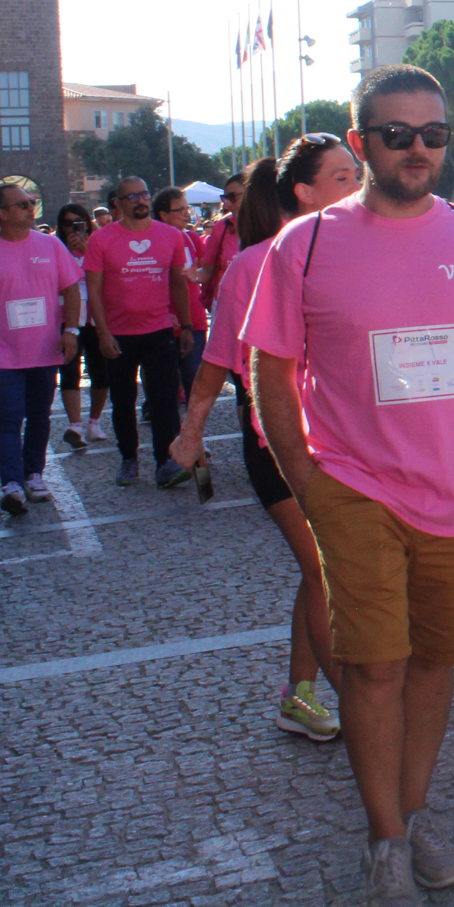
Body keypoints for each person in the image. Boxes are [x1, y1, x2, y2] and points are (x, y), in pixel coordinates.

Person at [243, 65, 454, 904]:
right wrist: (308, 483)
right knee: (374, 666)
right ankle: (386, 836)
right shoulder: (305, 244)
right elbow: (270, 371)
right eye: (397, 135)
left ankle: (414, 808)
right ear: (363, 142)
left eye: (433, 133)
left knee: (435, 662)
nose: (418, 148)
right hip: (352, 486)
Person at [168, 138, 360, 742]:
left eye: (356, 175)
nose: (357, 186)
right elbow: (216, 361)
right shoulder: (254, 265)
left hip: (346, 440)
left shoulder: (363, 252)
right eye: (343, 177)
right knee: (327, 572)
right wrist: (191, 433)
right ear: (303, 193)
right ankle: (366, 711)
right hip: (276, 442)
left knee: (318, 570)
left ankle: (298, 694)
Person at [83, 177, 195, 489]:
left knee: (164, 398)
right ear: (118, 204)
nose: (140, 201)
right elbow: (94, 291)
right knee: (123, 399)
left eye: (144, 194)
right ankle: (129, 458)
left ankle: (165, 462)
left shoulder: (171, 236)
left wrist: (186, 325)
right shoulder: (102, 239)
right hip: (118, 333)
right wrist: (103, 333)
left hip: (158, 329)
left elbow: (178, 283)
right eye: (132, 197)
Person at [0, 183, 80, 511]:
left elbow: (71, 289)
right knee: (8, 418)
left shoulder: (50, 245)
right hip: (5, 354)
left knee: (39, 416)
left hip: (46, 350)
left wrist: (71, 330)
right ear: (3, 214)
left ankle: (34, 473)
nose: (30, 208)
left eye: (31, 201)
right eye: (22, 204)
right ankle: (11, 483)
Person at [53, 204, 106, 449]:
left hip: (96, 316)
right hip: (67, 316)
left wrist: (88, 253)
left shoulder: (98, 244)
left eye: (79, 222)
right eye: (68, 223)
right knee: (69, 369)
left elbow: (110, 276)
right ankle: (75, 425)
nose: (73, 228)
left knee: (100, 370)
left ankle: (94, 421)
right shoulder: (55, 247)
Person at [153, 186, 209, 402]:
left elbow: (206, 272)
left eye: (187, 209)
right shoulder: (153, 241)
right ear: (163, 215)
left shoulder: (193, 238)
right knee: (165, 382)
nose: (187, 214)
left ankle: (194, 420)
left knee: (194, 376)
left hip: (194, 318)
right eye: (180, 210)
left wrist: (198, 275)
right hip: (162, 320)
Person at [196, 172, 247, 310]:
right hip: (226, 305)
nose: (226, 204)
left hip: (261, 306)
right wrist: (192, 275)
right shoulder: (222, 227)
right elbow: (207, 271)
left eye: (232, 197)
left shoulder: (275, 226)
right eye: (224, 198)